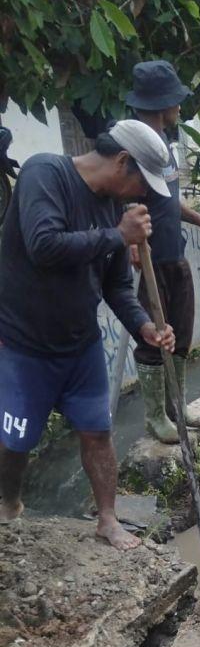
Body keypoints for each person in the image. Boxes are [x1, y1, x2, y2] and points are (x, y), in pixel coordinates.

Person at [0, 120, 176, 550]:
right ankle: (8, 504)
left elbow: (115, 286)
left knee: (98, 432)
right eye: (141, 181)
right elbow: (44, 245)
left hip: (81, 344)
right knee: (15, 440)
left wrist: (144, 327)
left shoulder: (112, 211)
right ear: (121, 161)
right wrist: (117, 235)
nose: (142, 193)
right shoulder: (45, 174)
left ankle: (108, 519)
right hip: (24, 345)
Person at [127, 60, 200, 444]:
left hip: (174, 254)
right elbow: (123, 199)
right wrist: (135, 243)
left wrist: (199, 219)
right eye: (176, 101)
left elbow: (168, 200)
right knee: (154, 337)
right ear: (161, 103)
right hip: (151, 258)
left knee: (180, 332)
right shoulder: (132, 148)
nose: (181, 108)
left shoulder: (165, 145)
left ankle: (176, 406)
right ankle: (154, 417)